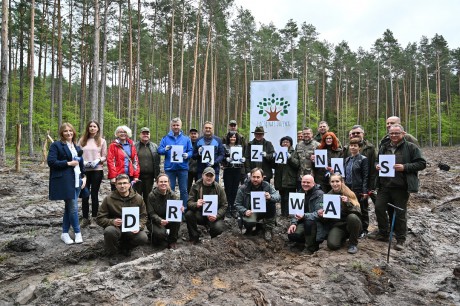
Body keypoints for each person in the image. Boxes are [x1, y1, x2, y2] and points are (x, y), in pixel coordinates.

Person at [370, 124, 426, 251]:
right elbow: (377, 161)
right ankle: (383, 233)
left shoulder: (411, 147)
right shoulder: (384, 147)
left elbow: (422, 163)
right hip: (384, 186)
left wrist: (405, 167)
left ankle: (401, 239)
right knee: (379, 208)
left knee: (400, 213)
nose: (394, 136)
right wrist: (377, 165)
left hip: (401, 187)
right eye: (391, 133)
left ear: (403, 133)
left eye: (397, 133)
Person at [96, 174, 148, 266]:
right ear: (115, 185)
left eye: (125, 183)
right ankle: (112, 254)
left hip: (131, 229)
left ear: (129, 185)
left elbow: (144, 216)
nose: (122, 186)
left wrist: (140, 226)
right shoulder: (109, 199)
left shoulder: (138, 198)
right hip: (116, 228)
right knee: (109, 231)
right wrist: (112, 222)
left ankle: (126, 247)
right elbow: (100, 218)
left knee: (143, 237)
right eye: (119, 183)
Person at [48, 122, 86, 245]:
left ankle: (64, 233)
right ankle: (77, 232)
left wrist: (84, 177)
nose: (68, 133)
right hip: (65, 181)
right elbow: (51, 162)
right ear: (61, 133)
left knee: (69, 208)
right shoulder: (56, 145)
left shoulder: (76, 146)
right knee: (73, 208)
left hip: (77, 180)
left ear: (73, 132)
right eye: (65, 131)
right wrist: (68, 163)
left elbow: (81, 164)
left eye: (70, 131)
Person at [234, 168, 281, 241]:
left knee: (272, 204)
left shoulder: (267, 186)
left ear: (262, 177)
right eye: (254, 177)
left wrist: (270, 197)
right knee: (249, 224)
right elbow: (237, 204)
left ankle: (268, 229)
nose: (255, 179)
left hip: (264, 211)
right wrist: (244, 211)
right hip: (250, 212)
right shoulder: (243, 188)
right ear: (250, 177)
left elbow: (277, 196)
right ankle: (253, 226)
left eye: (258, 177)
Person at [185, 167, 227, 244]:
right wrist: (196, 204)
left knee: (219, 228)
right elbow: (189, 202)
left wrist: (216, 215)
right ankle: (194, 237)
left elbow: (224, 205)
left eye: (211, 176)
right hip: (200, 214)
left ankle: (214, 240)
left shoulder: (219, 188)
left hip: (214, 216)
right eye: (207, 175)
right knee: (189, 214)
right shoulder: (196, 186)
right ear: (202, 175)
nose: (209, 178)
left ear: (214, 177)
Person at [158, 118, 193, 209]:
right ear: (171, 126)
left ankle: (184, 209)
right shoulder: (165, 138)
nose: (176, 127)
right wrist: (165, 149)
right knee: (170, 189)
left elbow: (191, 151)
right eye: (174, 125)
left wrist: (187, 155)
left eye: (177, 125)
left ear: (181, 126)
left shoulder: (186, 139)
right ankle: (170, 210)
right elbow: (159, 150)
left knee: (184, 190)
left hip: (183, 168)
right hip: (170, 168)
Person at [78, 120, 107, 228]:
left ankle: (95, 218)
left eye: (94, 126)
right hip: (84, 170)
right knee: (85, 194)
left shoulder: (102, 141)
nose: (92, 128)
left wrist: (98, 160)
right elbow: (77, 153)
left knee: (94, 194)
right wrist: (82, 161)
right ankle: (85, 218)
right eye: (90, 126)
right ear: (88, 128)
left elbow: (105, 156)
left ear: (98, 128)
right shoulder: (82, 140)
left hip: (97, 170)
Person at [287, 175, 325, 254]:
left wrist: (304, 216)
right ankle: (303, 242)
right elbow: (295, 212)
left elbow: (319, 214)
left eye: (308, 182)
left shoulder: (319, 194)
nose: (305, 184)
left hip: (316, 223)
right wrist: (294, 223)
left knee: (309, 222)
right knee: (292, 235)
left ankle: (310, 247)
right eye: (303, 182)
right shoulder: (299, 193)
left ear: (313, 183)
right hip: (302, 220)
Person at [326, 173, 362, 254]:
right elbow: (326, 217)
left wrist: (348, 203)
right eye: (332, 181)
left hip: (352, 224)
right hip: (338, 225)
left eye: (337, 181)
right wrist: (322, 214)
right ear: (330, 183)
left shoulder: (350, 194)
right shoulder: (328, 195)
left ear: (342, 182)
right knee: (332, 245)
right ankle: (342, 237)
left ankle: (353, 244)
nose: (335, 184)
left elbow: (358, 212)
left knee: (352, 217)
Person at [343, 125, 378, 206]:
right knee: (352, 205)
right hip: (351, 184)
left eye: (358, 133)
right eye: (353, 133)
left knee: (370, 206)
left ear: (363, 134)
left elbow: (373, 168)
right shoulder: (347, 148)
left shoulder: (370, 148)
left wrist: (370, 186)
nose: (355, 134)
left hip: (366, 183)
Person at [147, 173, 183, 249]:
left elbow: (175, 210)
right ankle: (154, 236)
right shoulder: (151, 196)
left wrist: (180, 208)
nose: (163, 183)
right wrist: (159, 220)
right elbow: (151, 213)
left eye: (165, 181)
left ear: (168, 183)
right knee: (160, 236)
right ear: (157, 183)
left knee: (177, 220)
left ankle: (172, 241)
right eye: (161, 182)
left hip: (167, 219)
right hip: (155, 221)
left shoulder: (172, 195)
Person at [344, 138, 369, 237]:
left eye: (355, 146)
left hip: (358, 188)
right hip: (348, 188)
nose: (352, 147)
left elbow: (365, 176)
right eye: (351, 145)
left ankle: (364, 229)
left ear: (359, 147)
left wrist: (364, 191)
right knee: (351, 208)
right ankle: (354, 228)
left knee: (362, 208)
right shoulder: (347, 159)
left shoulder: (363, 159)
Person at [107, 125, 140, 191]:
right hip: (118, 175)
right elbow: (110, 161)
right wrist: (113, 176)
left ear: (127, 133)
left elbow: (135, 161)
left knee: (130, 194)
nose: (122, 134)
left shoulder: (132, 145)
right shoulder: (113, 146)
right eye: (120, 132)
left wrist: (136, 176)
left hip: (129, 175)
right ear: (117, 134)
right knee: (116, 195)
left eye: (124, 132)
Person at [134, 127, 161, 206]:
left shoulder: (155, 146)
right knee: (136, 196)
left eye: (147, 133)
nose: (145, 135)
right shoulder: (134, 146)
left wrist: (157, 176)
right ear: (140, 135)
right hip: (137, 177)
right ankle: (137, 214)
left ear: (150, 135)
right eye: (143, 133)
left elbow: (157, 162)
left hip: (150, 177)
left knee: (148, 196)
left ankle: (148, 215)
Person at [274, 136, 299, 217]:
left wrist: (290, 157)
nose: (285, 143)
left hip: (290, 178)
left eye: (287, 142)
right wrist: (273, 158)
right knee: (282, 196)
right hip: (280, 178)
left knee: (289, 197)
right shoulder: (278, 152)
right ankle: (283, 213)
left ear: (290, 143)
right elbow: (274, 166)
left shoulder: (294, 152)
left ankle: (289, 214)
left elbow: (297, 164)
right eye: (283, 142)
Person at [222, 131, 246, 218]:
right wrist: (225, 159)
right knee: (228, 189)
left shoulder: (239, 147)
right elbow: (221, 157)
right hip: (228, 170)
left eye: (234, 137)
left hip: (237, 170)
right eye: (231, 137)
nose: (233, 138)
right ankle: (228, 207)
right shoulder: (224, 146)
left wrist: (243, 159)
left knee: (235, 189)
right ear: (228, 138)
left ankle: (233, 208)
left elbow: (242, 156)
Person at [188, 128, 199, 192]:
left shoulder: (200, 143)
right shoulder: (187, 143)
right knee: (187, 187)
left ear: (198, 134)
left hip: (198, 169)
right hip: (188, 169)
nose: (193, 135)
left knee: (198, 187)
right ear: (189, 135)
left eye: (195, 134)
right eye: (192, 134)